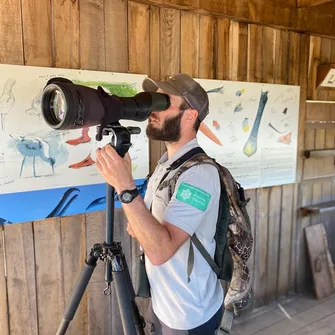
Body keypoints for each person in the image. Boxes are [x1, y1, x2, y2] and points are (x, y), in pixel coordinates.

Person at [95, 73, 223, 335]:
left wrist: (125, 187)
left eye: (163, 102)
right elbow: (145, 229)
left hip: (188, 314)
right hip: (163, 303)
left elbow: (160, 250)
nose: (153, 109)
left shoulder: (199, 174)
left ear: (190, 115)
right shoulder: (167, 165)